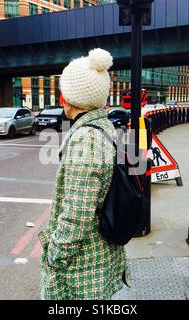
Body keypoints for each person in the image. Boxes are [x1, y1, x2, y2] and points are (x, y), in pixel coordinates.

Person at [38, 48, 127, 300]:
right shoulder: (104, 127)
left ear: (66, 97)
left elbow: (76, 216)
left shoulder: (84, 139)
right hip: (99, 257)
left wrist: (54, 257)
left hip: (81, 268)